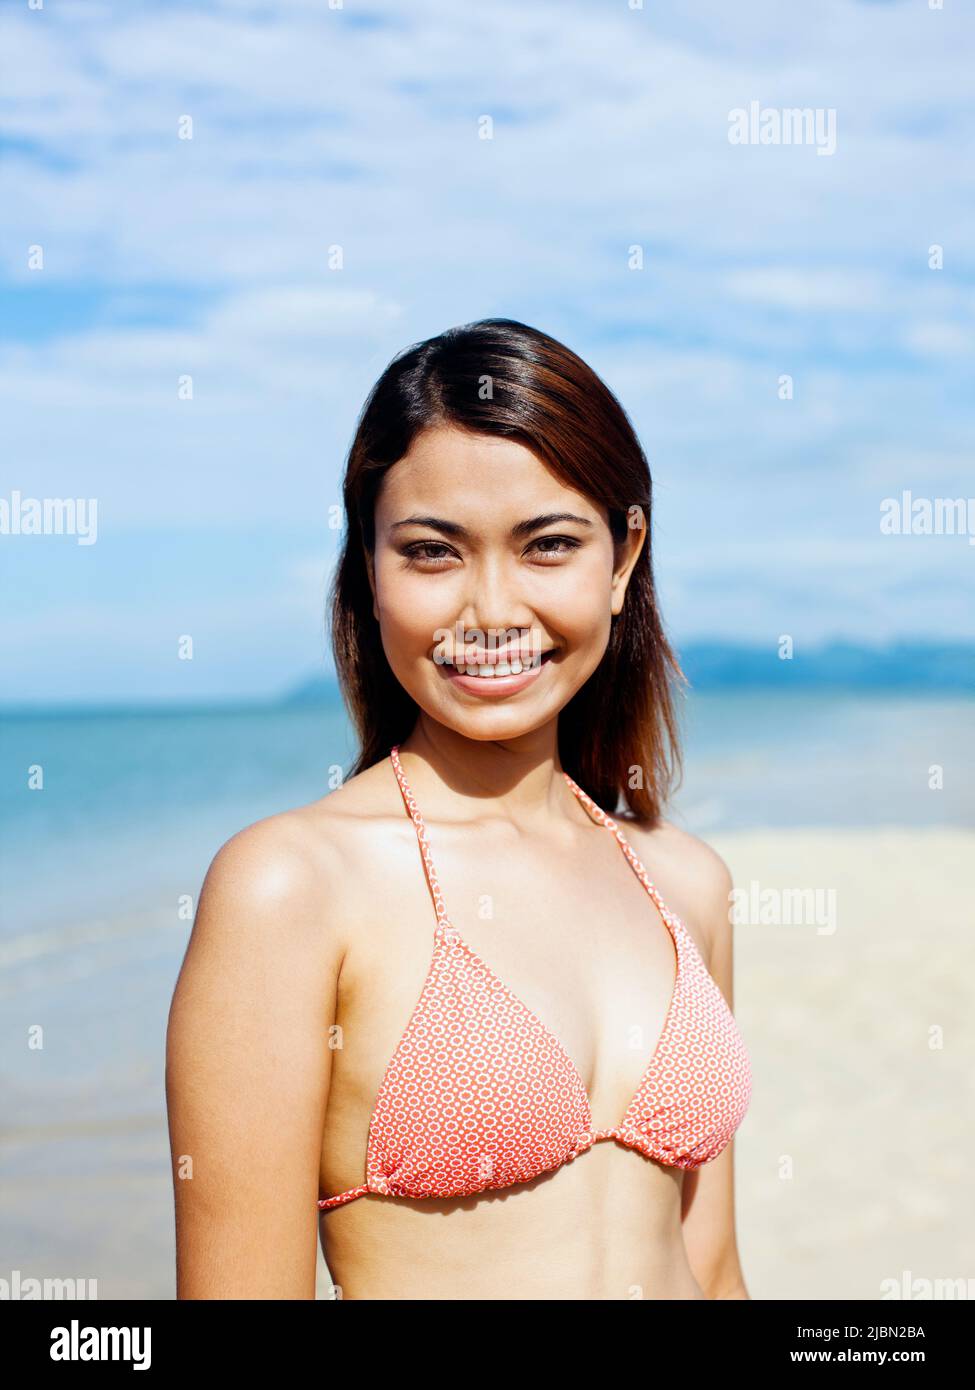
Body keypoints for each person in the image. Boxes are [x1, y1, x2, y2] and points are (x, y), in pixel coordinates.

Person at [166, 318, 752, 1300]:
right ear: (369, 569)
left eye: (548, 545)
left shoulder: (685, 883)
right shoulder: (291, 887)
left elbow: (717, 1268)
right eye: (433, 553)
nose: (490, 609)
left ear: (621, 558)